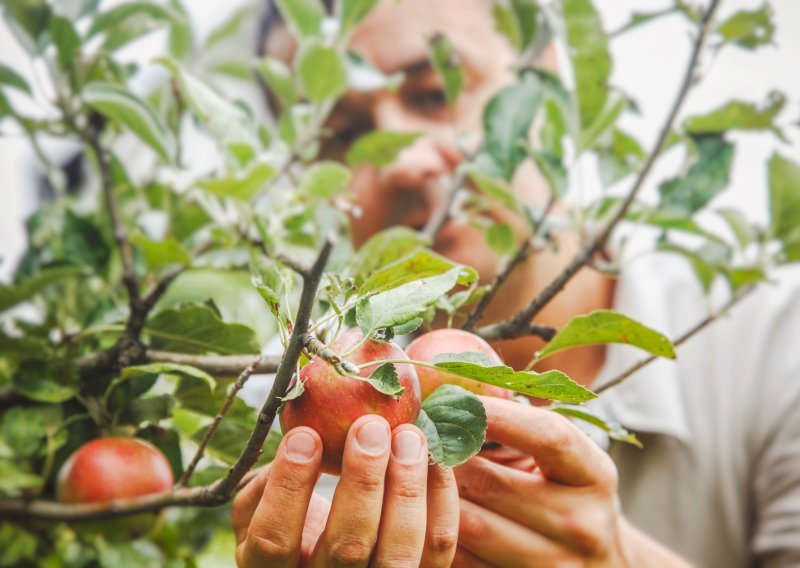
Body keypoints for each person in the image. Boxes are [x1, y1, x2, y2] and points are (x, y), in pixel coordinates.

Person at [233, 0, 800, 566]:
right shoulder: (296, 424)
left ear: (545, 90)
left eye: (434, 92)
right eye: (343, 132)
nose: (401, 160)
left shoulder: (775, 345)